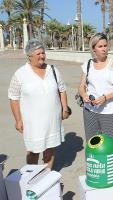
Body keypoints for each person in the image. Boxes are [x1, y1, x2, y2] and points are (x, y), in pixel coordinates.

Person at [78, 32, 113, 199]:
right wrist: (84, 95)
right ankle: (94, 178)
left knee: (112, 147)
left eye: (105, 45)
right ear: (93, 49)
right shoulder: (87, 65)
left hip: (108, 112)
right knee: (91, 145)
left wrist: (105, 97)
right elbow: (81, 87)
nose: (104, 49)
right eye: (100, 46)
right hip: (89, 111)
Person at [8, 39, 70, 169]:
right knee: (33, 152)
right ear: (29, 56)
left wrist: (64, 108)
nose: (42, 56)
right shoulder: (20, 74)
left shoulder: (53, 70)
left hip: (52, 120)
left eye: (43, 53)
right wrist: (18, 120)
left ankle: (47, 177)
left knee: (50, 150)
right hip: (32, 123)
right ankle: (32, 175)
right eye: (38, 54)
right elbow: (13, 98)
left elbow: (62, 90)